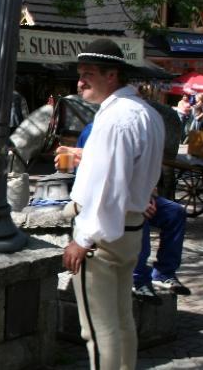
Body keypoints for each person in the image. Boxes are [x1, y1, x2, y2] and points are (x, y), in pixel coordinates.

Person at [61, 39, 164, 370]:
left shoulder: (115, 119)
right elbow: (131, 173)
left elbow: (106, 188)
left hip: (102, 238)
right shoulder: (147, 113)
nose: (80, 82)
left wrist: (83, 239)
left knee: (97, 329)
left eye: (88, 74)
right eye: (80, 74)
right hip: (129, 229)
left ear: (112, 75)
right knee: (120, 321)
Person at [58, 123, 191, 306]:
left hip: (138, 196)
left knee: (175, 212)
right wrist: (136, 202)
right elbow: (101, 183)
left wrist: (149, 195)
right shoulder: (98, 131)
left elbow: (146, 172)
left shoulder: (140, 127)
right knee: (136, 216)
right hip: (110, 201)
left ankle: (164, 272)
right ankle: (138, 278)